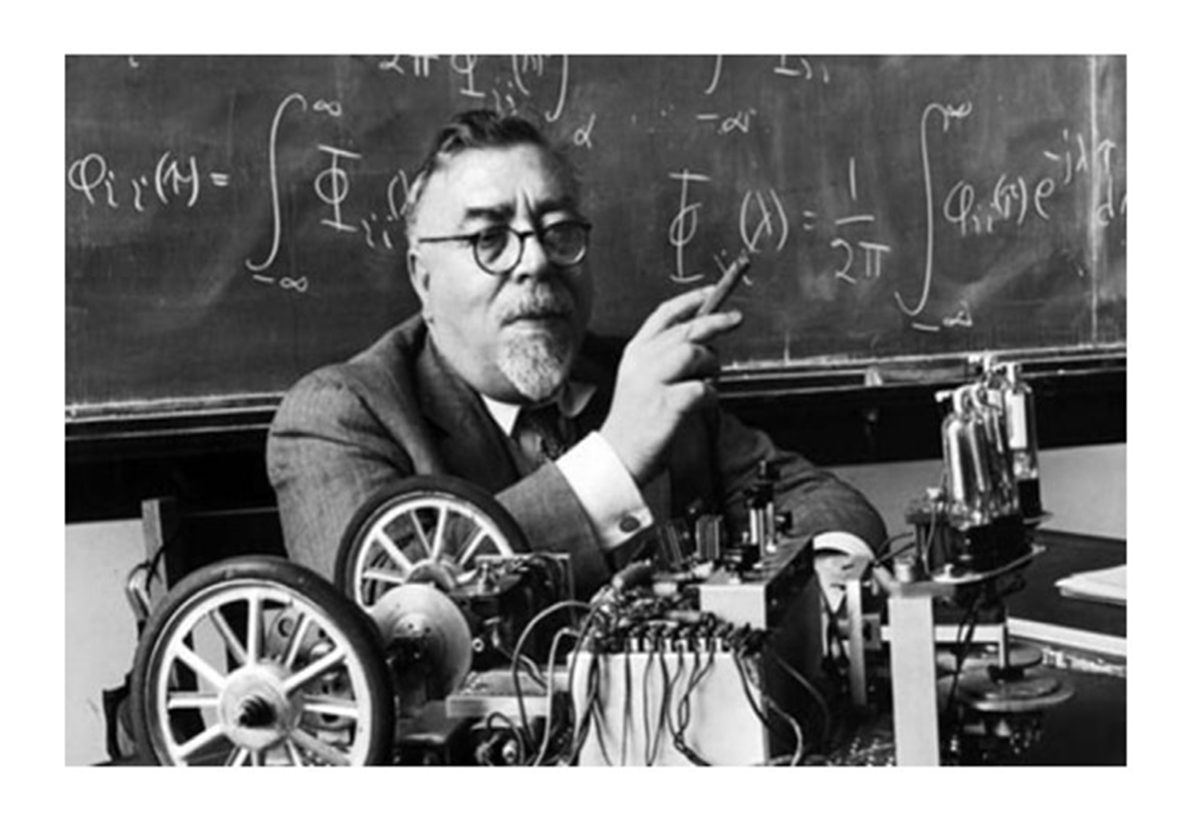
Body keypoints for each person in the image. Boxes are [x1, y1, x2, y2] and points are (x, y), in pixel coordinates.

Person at [267, 109, 885, 598]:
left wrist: (808, 583)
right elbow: (387, 614)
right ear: (422, 278)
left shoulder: (635, 379)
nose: (536, 261)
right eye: (489, 238)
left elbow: (830, 507)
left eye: (558, 231)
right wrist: (615, 460)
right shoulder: (340, 416)